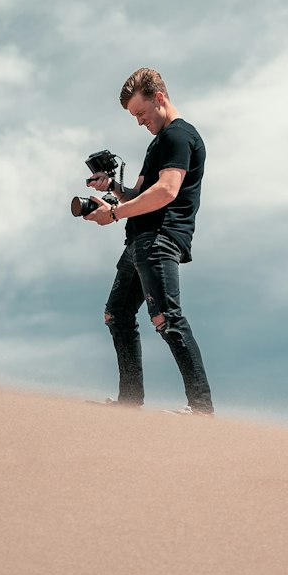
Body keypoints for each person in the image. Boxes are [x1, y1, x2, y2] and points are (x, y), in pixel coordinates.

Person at [84, 67, 214, 415]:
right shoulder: (160, 142)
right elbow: (139, 195)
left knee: (167, 318)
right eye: (134, 116)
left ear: (159, 98)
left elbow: (167, 191)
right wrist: (111, 190)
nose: (139, 121)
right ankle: (130, 403)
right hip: (140, 241)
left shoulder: (178, 135)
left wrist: (113, 214)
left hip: (159, 239)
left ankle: (201, 411)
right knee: (118, 314)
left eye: (141, 112)